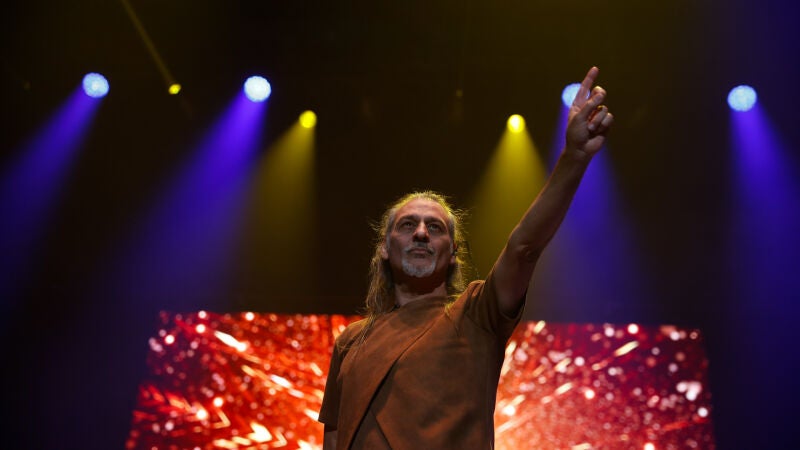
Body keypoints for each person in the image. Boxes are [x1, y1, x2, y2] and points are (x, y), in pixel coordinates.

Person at [318, 66, 614, 450]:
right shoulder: (351, 341)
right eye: (407, 225)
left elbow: (523, 248)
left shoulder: (475, 314)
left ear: (453, 253)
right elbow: (334, 438)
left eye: (435, 227)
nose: (421, 233)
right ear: (385, 248)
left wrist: (573, 158)